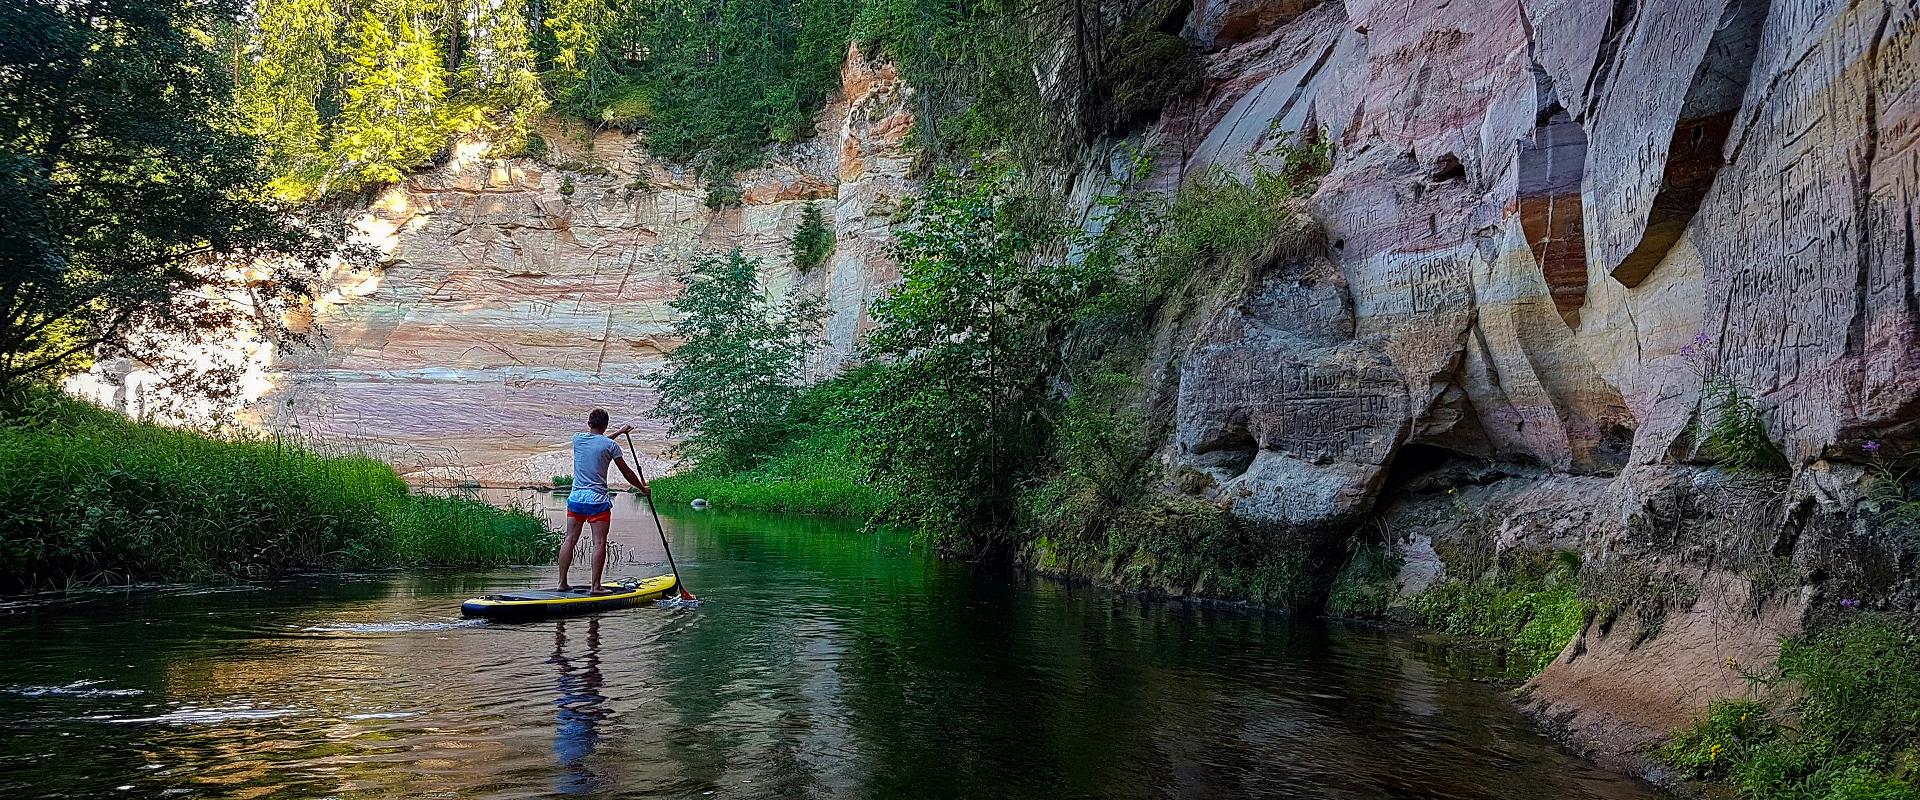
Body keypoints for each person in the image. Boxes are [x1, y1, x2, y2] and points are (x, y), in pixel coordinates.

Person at [558, 408, 649, 594]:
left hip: (576, 499)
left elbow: (599, 441)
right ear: (606, 425)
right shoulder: (611, 446)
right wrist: (642, 488)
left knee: (569, 540)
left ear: (589, 423)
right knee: (599, 543)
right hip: (597, 502)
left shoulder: (577, 439)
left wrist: (620, 432)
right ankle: (595, 586)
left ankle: (562, 583)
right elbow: (627, 472)